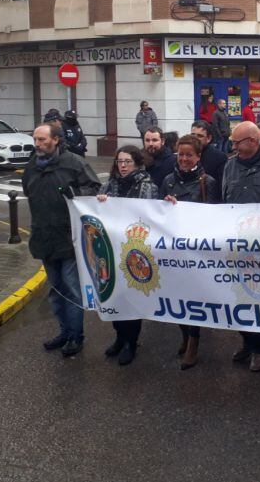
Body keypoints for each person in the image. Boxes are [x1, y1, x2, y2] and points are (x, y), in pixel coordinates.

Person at [22, 123, 101, 357]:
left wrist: (74, 194)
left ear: (55, 140)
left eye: (42, 140)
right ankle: (64, 332)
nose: (37, 144)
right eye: (35, 139)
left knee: (72, 290)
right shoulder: (32, 166)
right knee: (56, 290)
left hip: (69, 239)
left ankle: (76, 336)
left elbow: (94, 189)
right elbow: (29, 192)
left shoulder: (73, 163)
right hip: (44, 238)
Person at [221, 122, 260, 372]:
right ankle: (249, 340)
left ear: (254, 141)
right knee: (238, 296)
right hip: (237, 244)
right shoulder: (230, 165)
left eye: (238, 143)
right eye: (232, 143)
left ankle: (259, 347)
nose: (233, 147)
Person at [159, 135, 218, 370]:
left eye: (188, 155)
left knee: (193, 299)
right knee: (176, 297)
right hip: (173, 251)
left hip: (196, 253)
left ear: (198, 156)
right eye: (180, 155)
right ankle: (184, 335)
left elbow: (213, 215)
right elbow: (157, 213)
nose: (183, 159)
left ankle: (194, 341)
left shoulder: (208, 182)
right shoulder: (168, 180)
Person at [96, 146, 158, 365]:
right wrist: (100, 203)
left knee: (131, 299)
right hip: (112, 249)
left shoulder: (146, 185)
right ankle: (119, 337)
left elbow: (147, 217)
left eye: (127, 162)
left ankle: (132, 342)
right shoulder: (109, 185)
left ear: (137, 163)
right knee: (115, 296)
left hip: (134, 250)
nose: (122, 166)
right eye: (119, 161)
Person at [190, 120, 226, 194]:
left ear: (209, 138)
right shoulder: (185, 155)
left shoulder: (219, 158)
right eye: (193, 135)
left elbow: (221, 187)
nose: (195, 139)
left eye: (200, 136)